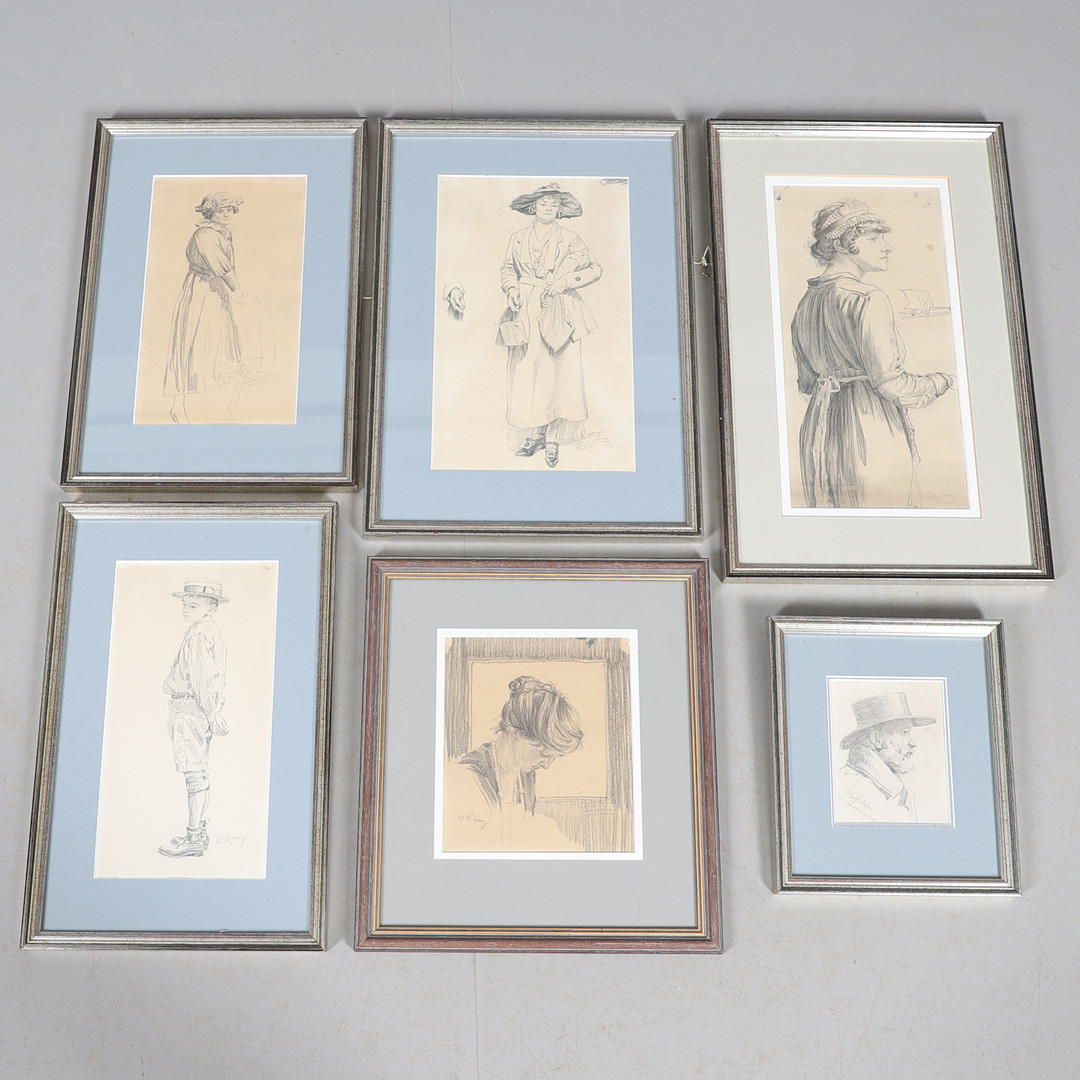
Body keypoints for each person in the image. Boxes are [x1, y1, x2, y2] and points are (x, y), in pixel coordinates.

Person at [791, 198, 956, 508]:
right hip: (869, 428)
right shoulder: (868, 298)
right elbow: (891, 383)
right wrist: (940, 381)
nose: (886, 247)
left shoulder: (806, 302)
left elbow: (807, 383)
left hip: (821, 432)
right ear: (842, 243)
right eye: (874, 238)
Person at [498, 182, 602, 468]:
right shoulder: (518, 238)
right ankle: (535, 434)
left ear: (560, 210)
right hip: (525, 309)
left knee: (559, 372)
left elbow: (595, 269)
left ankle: (553, 438)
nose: (548, 208)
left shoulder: (571, 238)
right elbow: (508, 268)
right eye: (543, 203)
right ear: (534, 206)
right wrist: (512, 289)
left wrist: (564, 281)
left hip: (560, 308)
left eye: (554, 204)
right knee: (528, 372)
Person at [159, 581, 229, 858]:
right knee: (198, 773)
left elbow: (202, 679)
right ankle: (198, 832)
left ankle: (193, 838)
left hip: (190, 708)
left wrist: (211, 714)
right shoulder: (206, 630)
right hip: (195, 708)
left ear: (210, 608)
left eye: (193, 605)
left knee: (193, 775)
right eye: (185, 604)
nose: (186, 609)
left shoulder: (200, 635)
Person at [163, 192, 245, 423]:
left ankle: (209, 399)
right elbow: (221, 266)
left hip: (215, 288)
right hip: (203, 290)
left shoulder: (221, 233)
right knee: (201, 337)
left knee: (216, 338)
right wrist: (237, 291)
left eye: (229, 209)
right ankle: (190, 403)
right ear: (210, 212)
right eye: (221, 210)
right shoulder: (205, 235)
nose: (226, 214)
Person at [458, 675, 583, 815]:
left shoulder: (526, 776)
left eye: (554, 757)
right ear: (516, 733)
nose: (546, 765)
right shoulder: (470, 773)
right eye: (544, 754)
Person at [834, 691, 936, 823]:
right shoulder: (849, 789)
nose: (912, 743)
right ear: (876, 739)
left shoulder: (904, 794)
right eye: (904, 732)